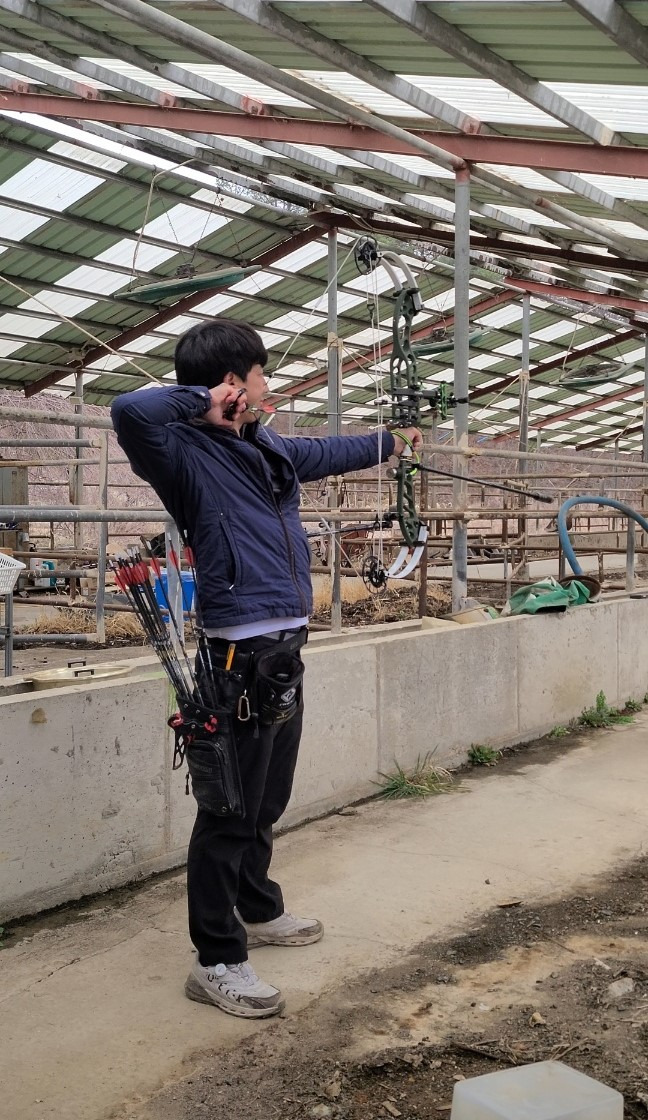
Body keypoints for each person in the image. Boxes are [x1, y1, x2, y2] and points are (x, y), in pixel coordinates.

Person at [111, 318, 422, 1020]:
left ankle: (256, 906)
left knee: (267, 798)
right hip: (235, 655)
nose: (270, 388)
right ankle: (216, 959)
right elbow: (129, 409)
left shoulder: (266, 448)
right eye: (259, 377)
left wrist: (393, 441)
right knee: (228, 812)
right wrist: (204, 401)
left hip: (282, 648)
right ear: (233, 384)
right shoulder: (181, 450)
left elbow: (327, 450)